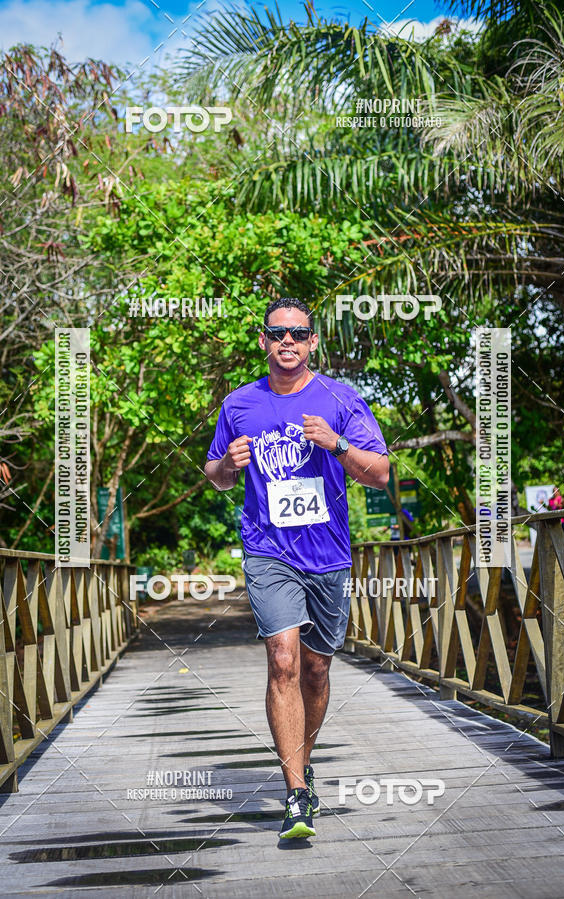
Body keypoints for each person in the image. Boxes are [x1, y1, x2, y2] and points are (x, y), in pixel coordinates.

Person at [204, 297, 389, 840]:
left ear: (312, 343)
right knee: (282, 660)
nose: (287, 342)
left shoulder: (341, 398)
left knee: (315, 670)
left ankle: (301, 759)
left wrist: (338, 444)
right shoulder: (239, 404)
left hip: (328, 554)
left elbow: (378, 473)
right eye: (277, 334)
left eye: (298, 334)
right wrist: (225, 465)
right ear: (263, 341)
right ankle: (296, 795)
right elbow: (214, 475)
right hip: (268, 552)